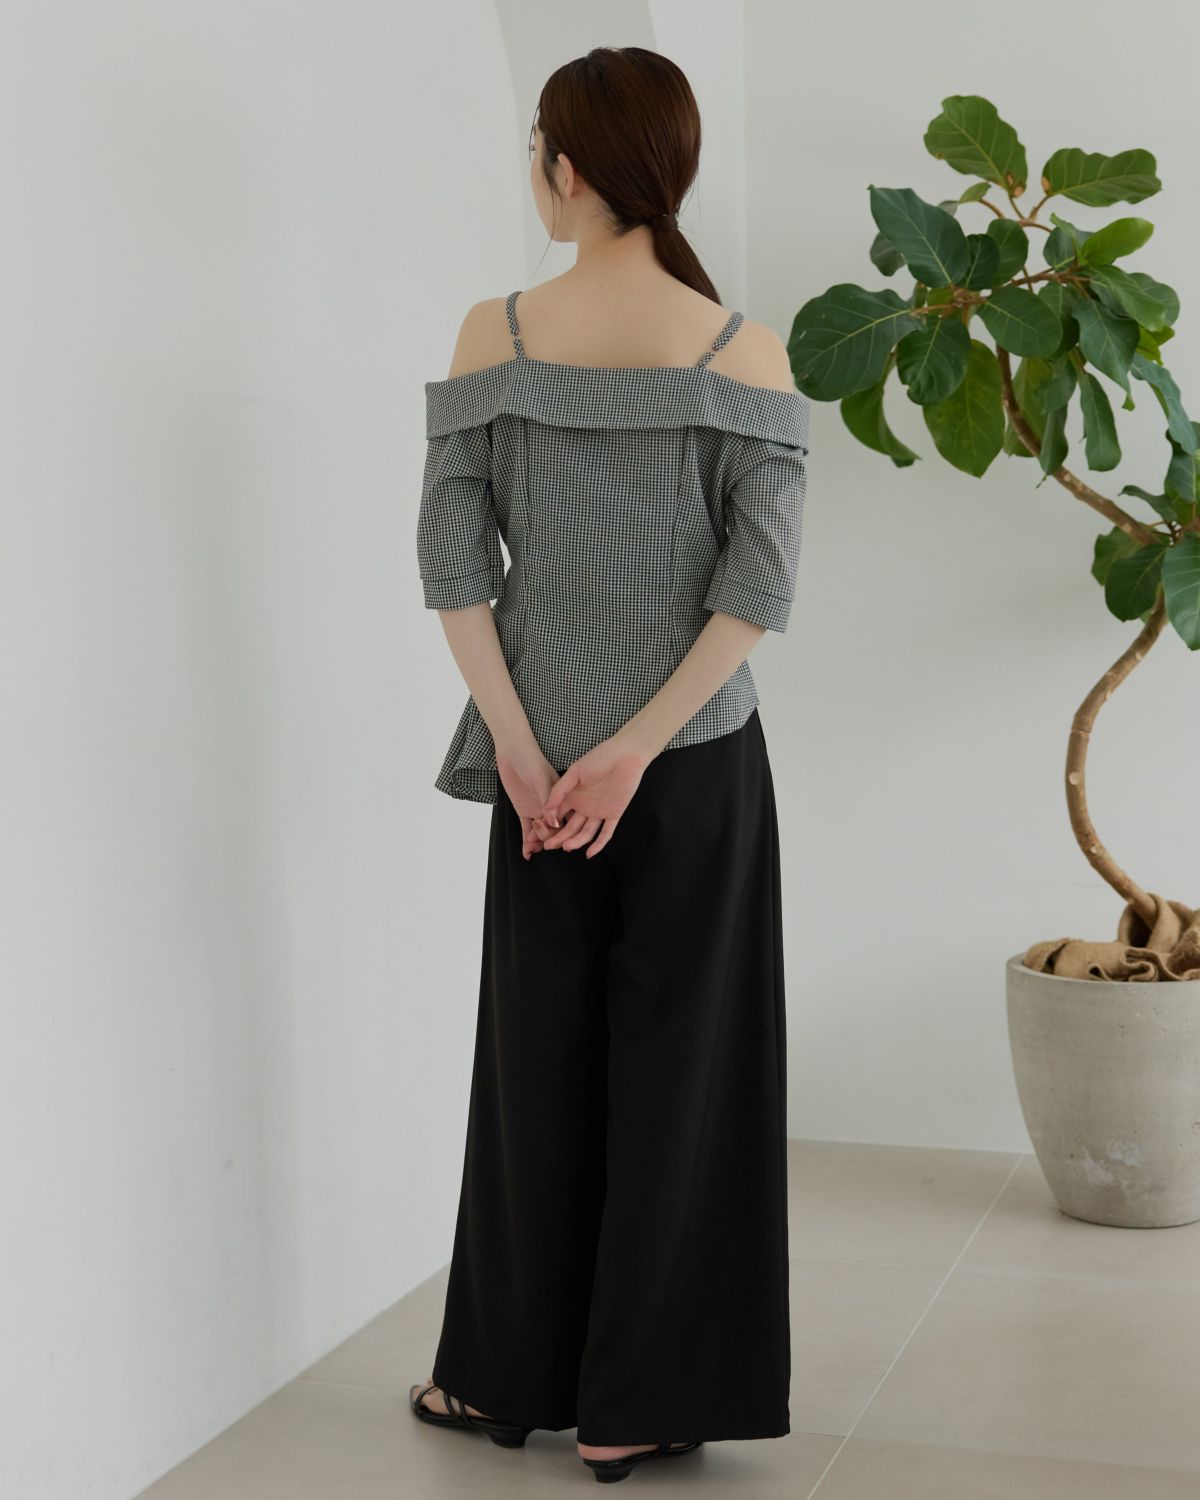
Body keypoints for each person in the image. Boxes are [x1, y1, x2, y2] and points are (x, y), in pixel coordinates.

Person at [409, 45, 809, 1486]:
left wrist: (528, 749)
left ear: (564, 166)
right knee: (685, 1077)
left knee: (535, 1069)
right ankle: (639, 1403)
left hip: (537, 772)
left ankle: (500, 1378)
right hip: (692, 768)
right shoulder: (742, 351)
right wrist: (640, 748)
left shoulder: (493, 334)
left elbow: (454, 562)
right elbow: (758, 592)